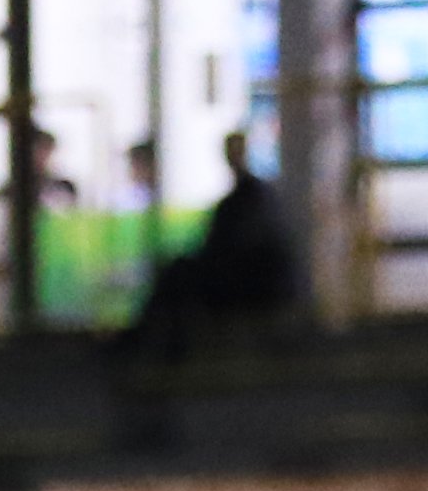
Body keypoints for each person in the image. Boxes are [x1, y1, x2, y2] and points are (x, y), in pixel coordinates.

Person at [121, 128, 302, 359]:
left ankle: (157, 349)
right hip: (248, 279)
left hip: (251, 284)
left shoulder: (249, 198)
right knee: (176, 274)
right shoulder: (250, 196)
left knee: (176, 276)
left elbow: (229, 248)